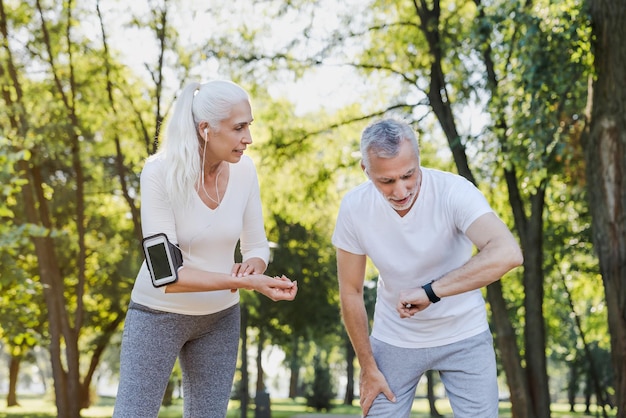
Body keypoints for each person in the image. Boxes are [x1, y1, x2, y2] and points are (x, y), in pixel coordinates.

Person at [113, 80, 298, 418]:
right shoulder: (158, 174)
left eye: (249, 126)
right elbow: (167, 276)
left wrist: (253, 267)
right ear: (206, 129)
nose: (249, 138)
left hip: (221, 318)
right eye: (239, 127)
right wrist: (244, 283)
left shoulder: (245, 171)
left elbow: (256, 245)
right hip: (158, 315)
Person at [332, 118, 523, 417]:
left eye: (409, 174)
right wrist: (368, 367)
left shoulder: (453, 192)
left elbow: (507, 252)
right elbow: (351, 291)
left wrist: (431, 292)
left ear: (418, 159)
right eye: (386, 181)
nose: (401, 190)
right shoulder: (355, 207)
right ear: (365, 170)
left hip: (465, 334)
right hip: (394, 338)